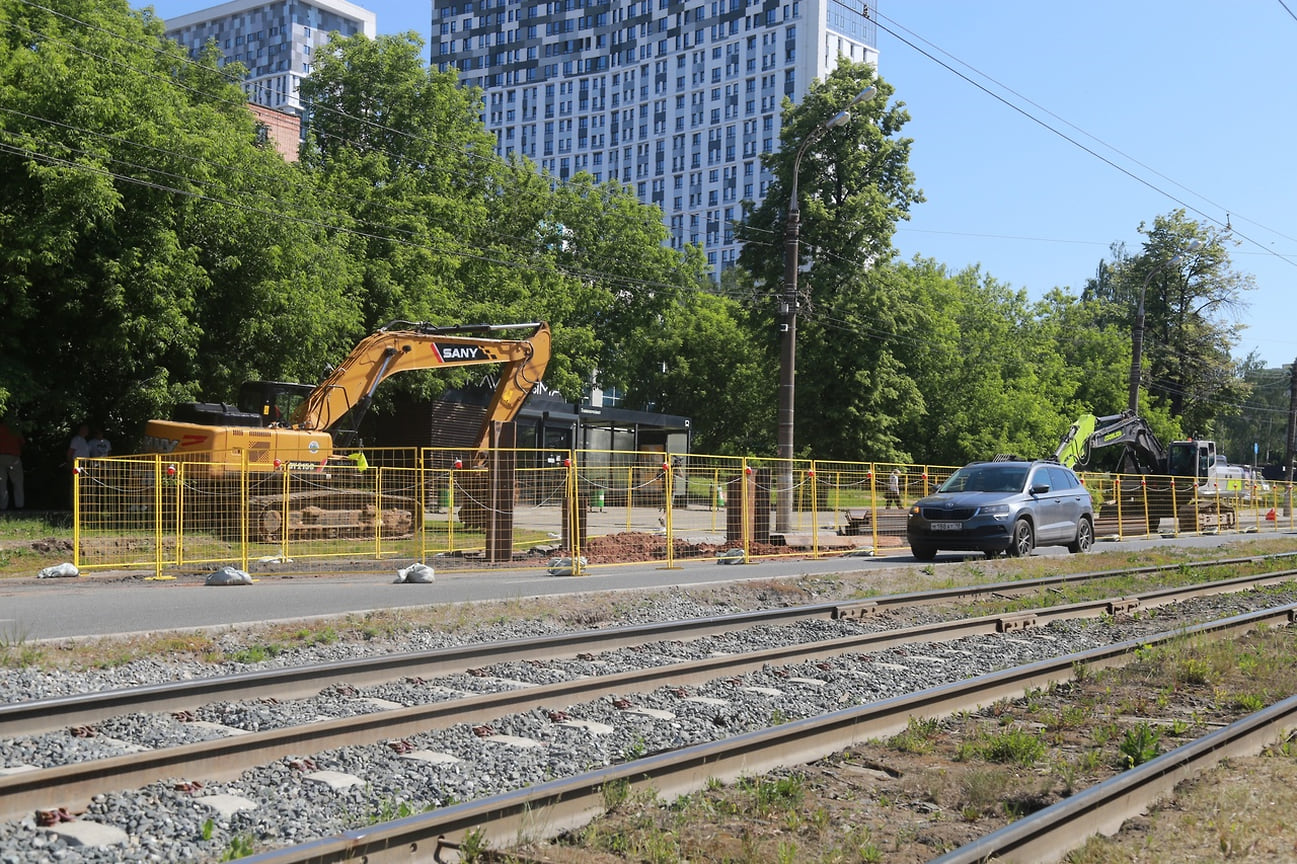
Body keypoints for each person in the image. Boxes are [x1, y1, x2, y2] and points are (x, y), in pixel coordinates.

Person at [0, 415, 24, 511]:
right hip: (14, 457)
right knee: (18, 482)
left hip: (0, 456)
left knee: (2, 483)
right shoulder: (15, 429)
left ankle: (3, 506)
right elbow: (22, 442)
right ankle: (19, 505)